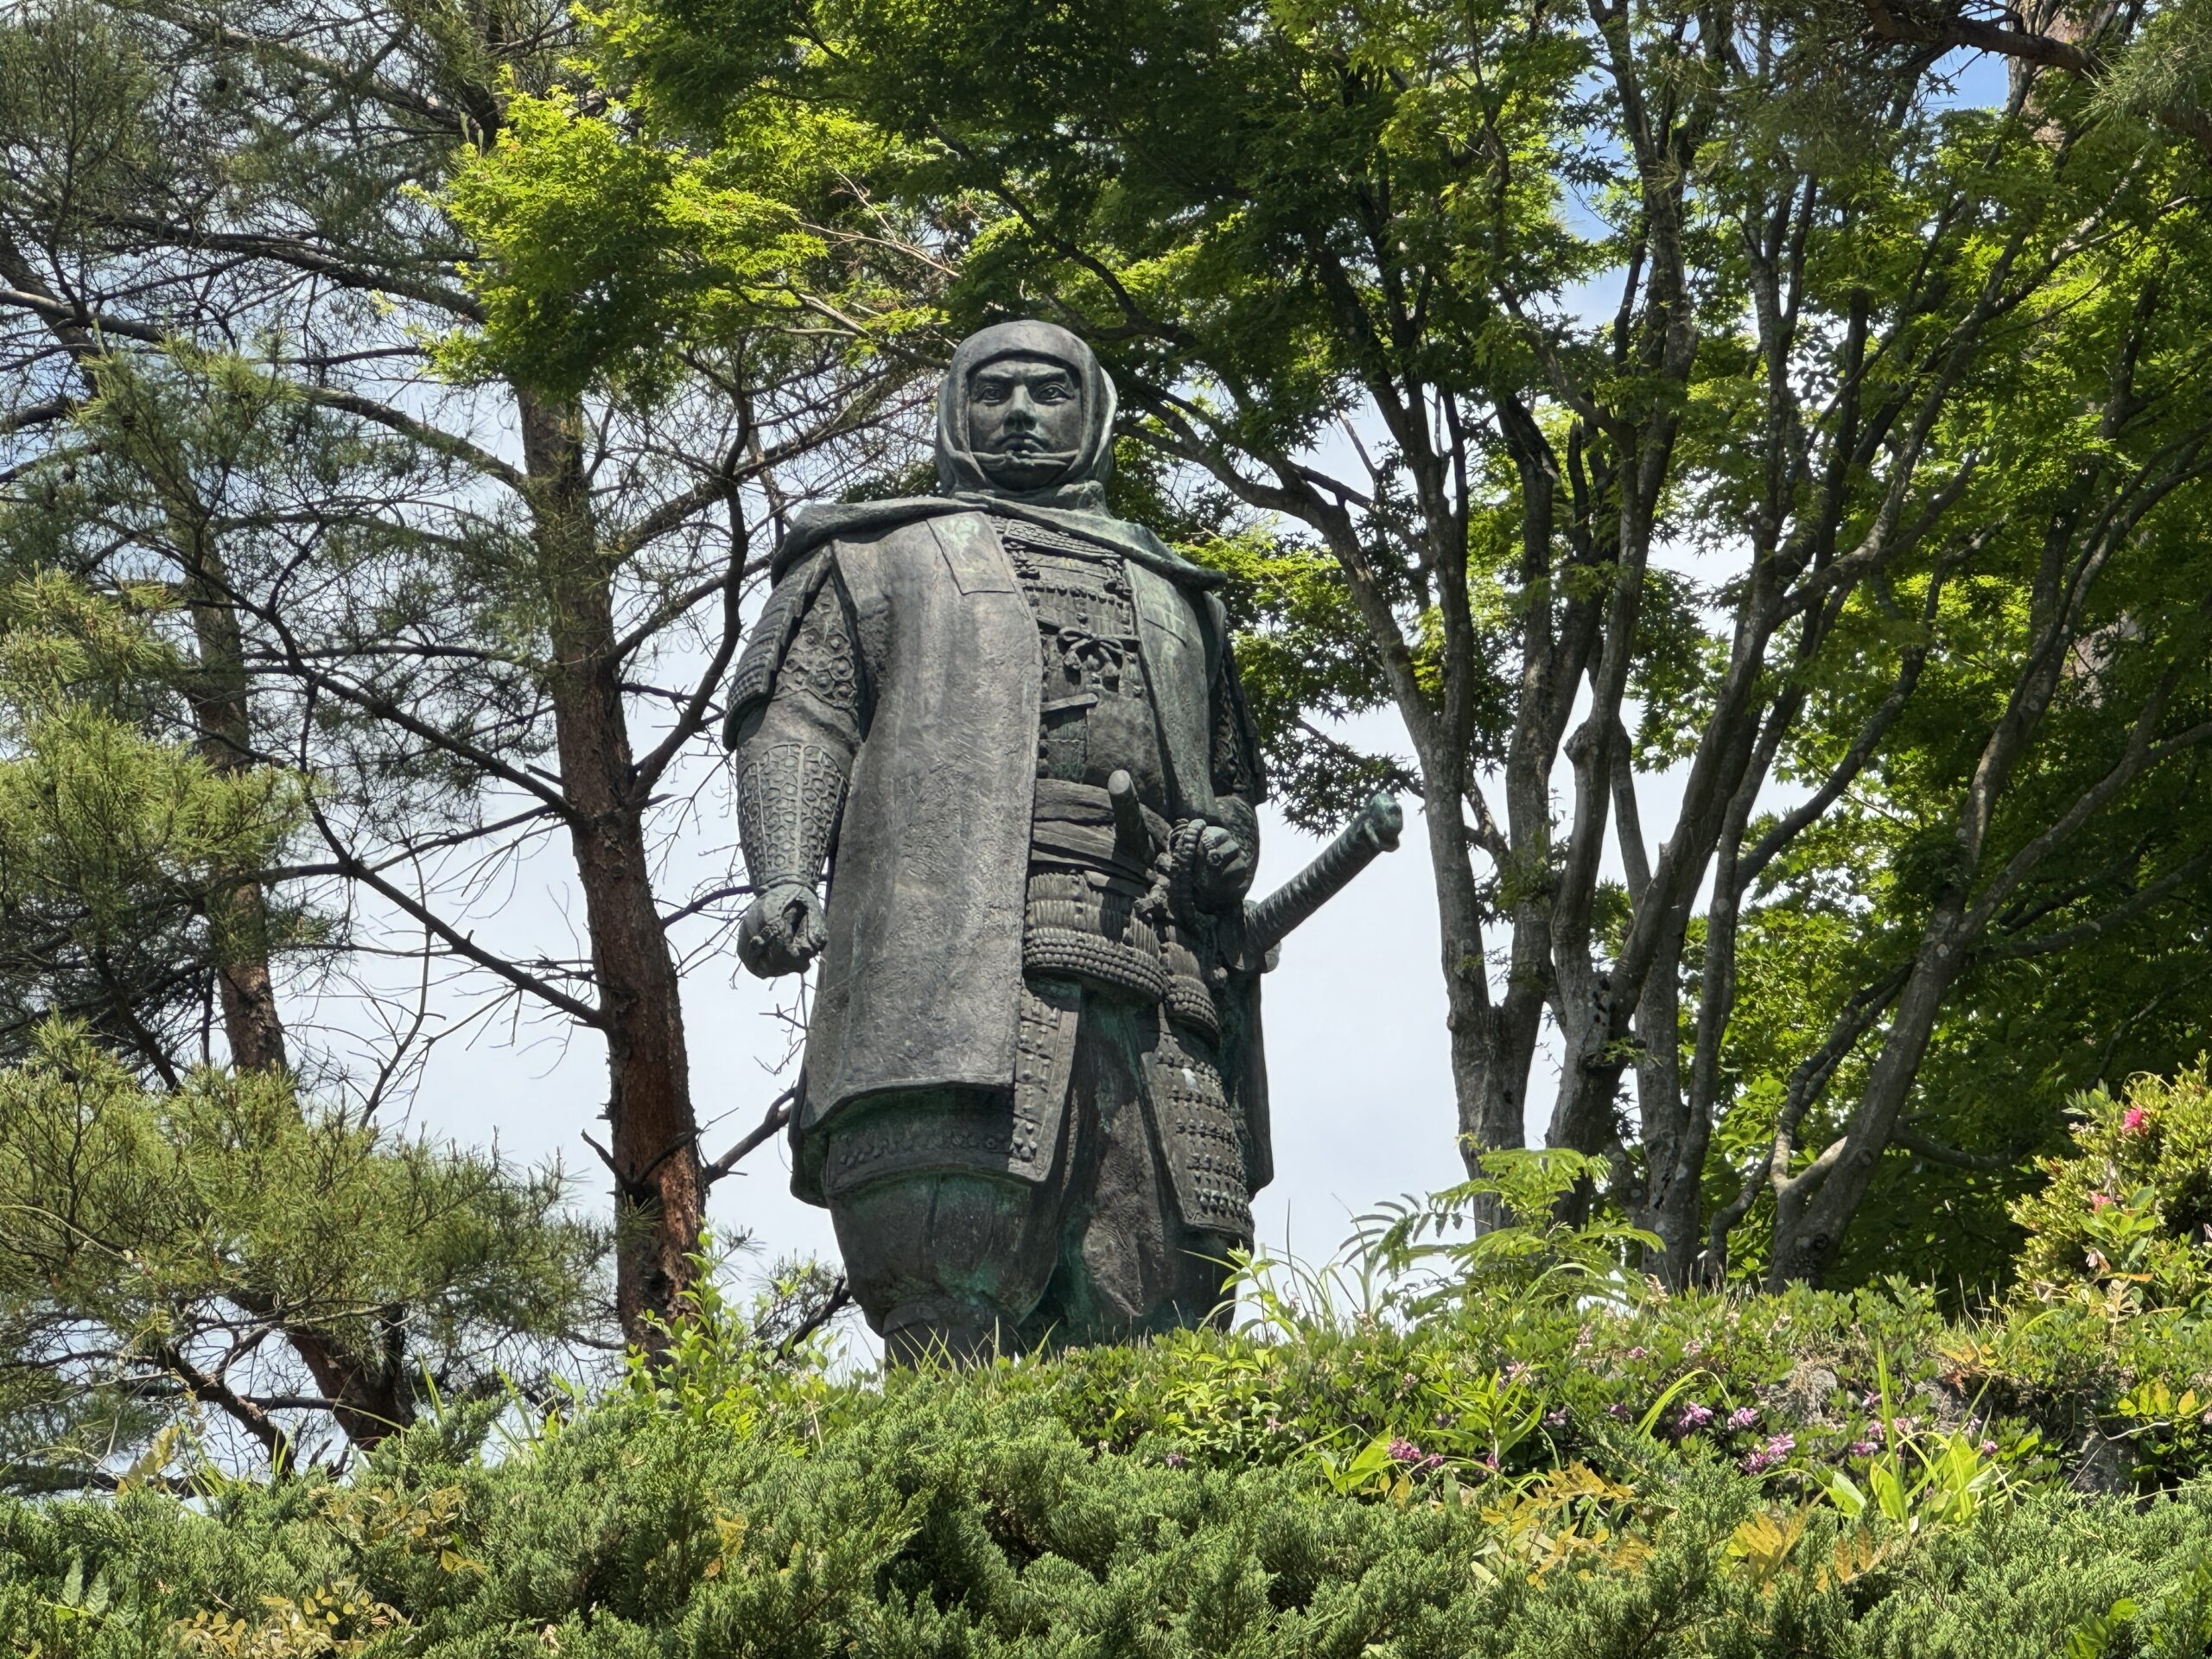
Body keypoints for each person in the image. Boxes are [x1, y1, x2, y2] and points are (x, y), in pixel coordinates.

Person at [724, 320, 1271, 1361]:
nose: (1021, 413)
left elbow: (1227, 788)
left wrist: (1227, 845)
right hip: (954, 955)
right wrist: (786, 874)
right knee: (947, 1263)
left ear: (1095, 414)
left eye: (1048, 393)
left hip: (1156, 975)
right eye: (996, 393)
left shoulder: (1176, 593)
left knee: (1170, 1308)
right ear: (955, 413)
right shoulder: (877, 554)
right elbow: (800, 716)